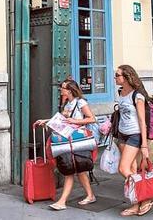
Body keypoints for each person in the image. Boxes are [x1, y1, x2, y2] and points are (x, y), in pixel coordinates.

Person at [35, 79, 97, 211]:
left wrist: (75, 120)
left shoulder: (81, 102)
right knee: (79, 170)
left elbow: (92, 118)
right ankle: (90, 195)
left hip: (76, 141)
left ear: (69, 90)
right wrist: (45, 121)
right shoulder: (68, 104)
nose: (61, 90)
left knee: (70, 171)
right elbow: (61, 121)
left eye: (63, 88)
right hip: (68, 141)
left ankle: (62, 202)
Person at [114, 64, 153, 217]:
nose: (115, 78)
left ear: (126, 77)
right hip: (122, 134)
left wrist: (144, 144)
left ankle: (146, 196)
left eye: (118, 75)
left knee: (123, 169)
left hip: (135, 135)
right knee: (131, 169)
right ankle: (136, 203)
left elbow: (142, 121)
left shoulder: (137, 95)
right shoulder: (121, 92)